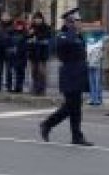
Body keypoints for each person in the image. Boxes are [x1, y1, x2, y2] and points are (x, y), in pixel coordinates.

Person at [39, 8, 93, 146]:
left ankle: (75, 136)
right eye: (77, 21)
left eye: (80, 21)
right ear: (70, 22)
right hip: (70, 75)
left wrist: (76, 33)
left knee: (74, 107)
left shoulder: (77, 36)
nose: (80, 24)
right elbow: (59, 47)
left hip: (78, 74)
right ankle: (48, 124)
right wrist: (71, 31)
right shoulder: (63, 36)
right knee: (71, 106)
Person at [27, 12, 52, 96]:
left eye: (39, 18)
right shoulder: (31, 28)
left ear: (42, 19)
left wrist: (37, 38)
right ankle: (35, 88)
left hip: (42, 53)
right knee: (34, 71)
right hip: (33, 52)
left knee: (41, 71)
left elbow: (47, 38)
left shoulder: (46, 27)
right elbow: (27, 38)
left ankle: (42, 89)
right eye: (36, 18)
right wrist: (30, 35)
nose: (37, 20)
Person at [6, 18, 28, 93]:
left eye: (21, 25)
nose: (19, 26)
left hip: (22, 56)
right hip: (12, 56)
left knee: (20, 72)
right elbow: (7, 43)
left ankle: (19, 87)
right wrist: (10, 49)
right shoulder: (11, 32)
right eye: (18, 25)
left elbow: (26, 45)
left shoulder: (25, 34)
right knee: (10, 72)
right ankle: (9, 87)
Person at [0, 12, 13, 92]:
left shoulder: (12, 26)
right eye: (4, 16)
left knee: (9, 70)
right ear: (1, 17)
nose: (5, 18)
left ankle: (9, 86)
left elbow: (14, 38)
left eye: (7, 16)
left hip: (9, 50)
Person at [86, 31, 104, 106]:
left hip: (94, 64)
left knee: (95, 82)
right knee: (94, 82)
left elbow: (101, 54)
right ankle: (95, 98)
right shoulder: (99, 42)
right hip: (93, 64)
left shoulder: (99, 41)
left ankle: (96, 99)